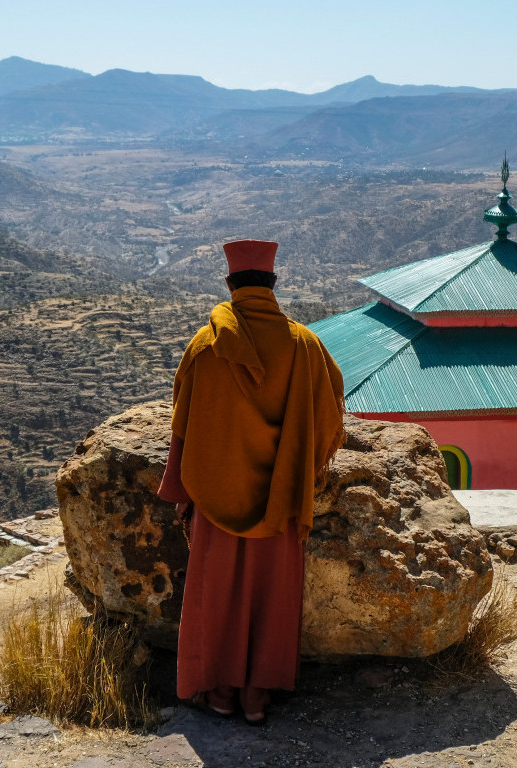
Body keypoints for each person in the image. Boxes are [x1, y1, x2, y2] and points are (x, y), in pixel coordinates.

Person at [156, 238, 345, 725]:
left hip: (216, 495)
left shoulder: (205, 346)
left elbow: (183, 423)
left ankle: (218, 693)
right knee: (272, 595)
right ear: (273, 284)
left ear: (231, 286)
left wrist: (181, 488)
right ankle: (257, 697)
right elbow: (329, 420)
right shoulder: (304, 345)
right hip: (280, 500)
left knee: (216, 593)